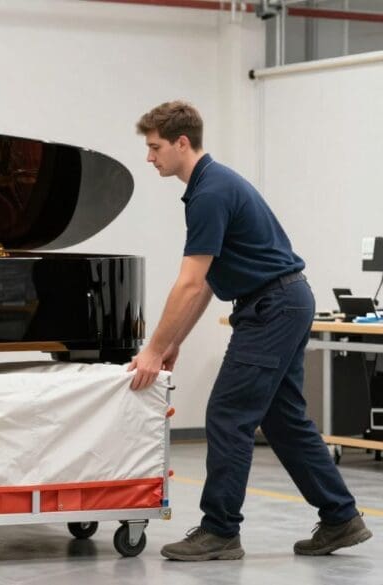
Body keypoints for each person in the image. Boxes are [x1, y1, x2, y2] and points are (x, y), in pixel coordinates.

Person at [128, 101, 372, 561]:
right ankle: (340, 517)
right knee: (283, 419)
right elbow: (207, 281)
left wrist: (152, 350)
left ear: (182, 142)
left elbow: (190, 281)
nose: (150, 157)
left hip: (273, 307)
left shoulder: (210, 193)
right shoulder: (211, 185)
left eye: (155, 147)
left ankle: (220, 531)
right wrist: (173, 342)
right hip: (283, 300)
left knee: (226, 414)